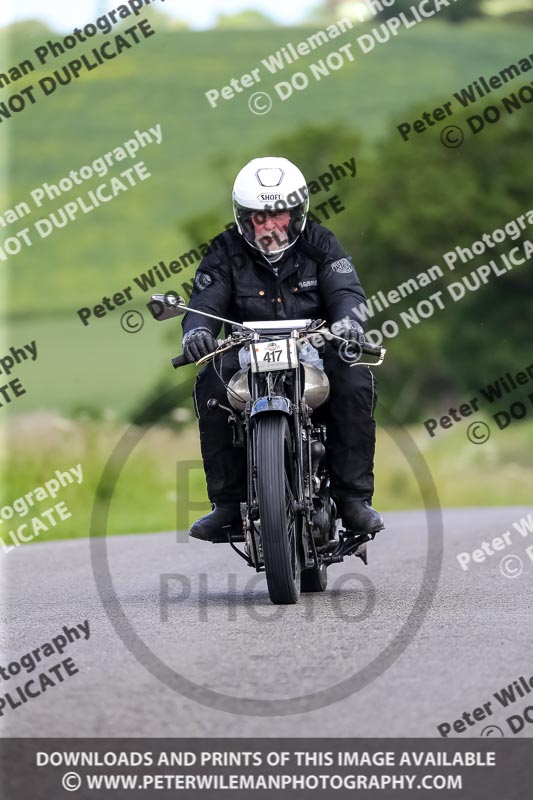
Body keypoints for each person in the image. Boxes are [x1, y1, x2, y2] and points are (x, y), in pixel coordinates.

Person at [182, 156, 383, 541]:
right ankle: (227, 504)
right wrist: (196, 333)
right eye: (258, 217)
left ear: (297, 212)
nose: (269, 226)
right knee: (210, 382)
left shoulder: (321, 243)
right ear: (243, 217)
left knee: (355, 379)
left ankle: (354, 499)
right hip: (245, 350)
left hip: (315, 348)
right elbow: (204, 302)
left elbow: (346, 291)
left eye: (279, 215)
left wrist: (349, 323)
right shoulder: (224, 251)